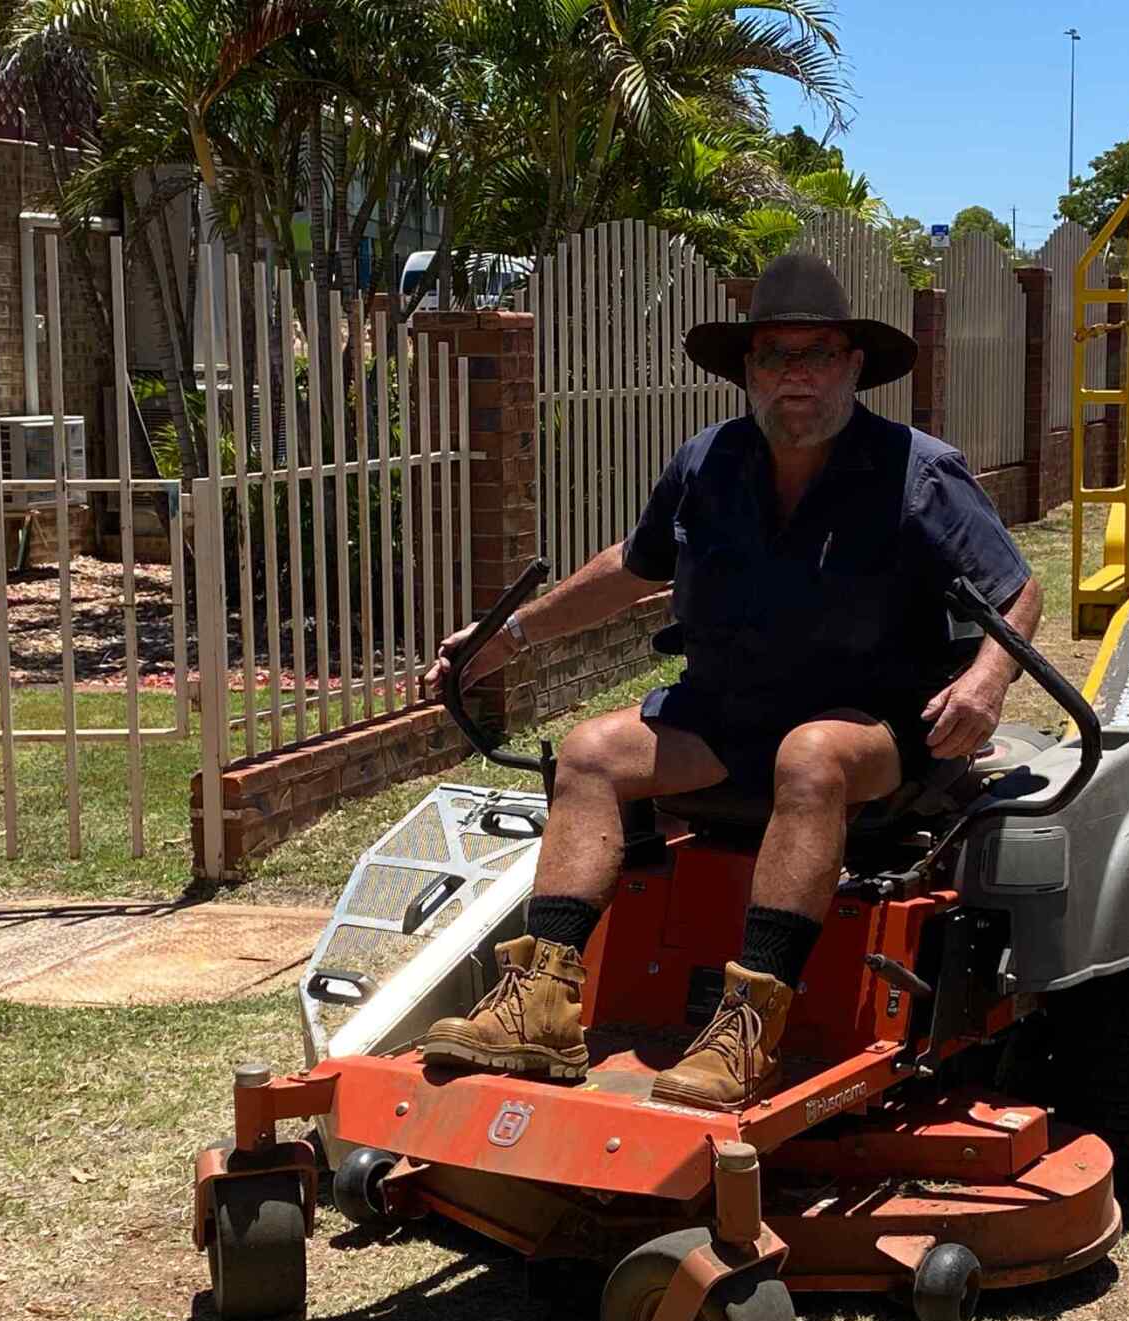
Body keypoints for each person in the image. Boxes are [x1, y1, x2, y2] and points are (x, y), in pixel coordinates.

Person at [418, 252, 1042, 1111]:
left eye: (816, 354)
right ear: (748, 370)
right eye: (775, 356)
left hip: (875, 726)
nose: (796, 375)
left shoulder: (917, 472)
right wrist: (507, 635)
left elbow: (1017, 586)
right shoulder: (707, 463)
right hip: (728, 715)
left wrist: (985, 681)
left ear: (853, 366)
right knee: (595, 752)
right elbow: (632, 568)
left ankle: (747, 1027)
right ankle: (542, 1003)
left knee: (810, 756)